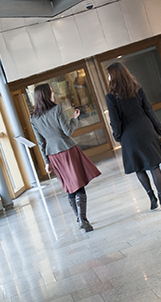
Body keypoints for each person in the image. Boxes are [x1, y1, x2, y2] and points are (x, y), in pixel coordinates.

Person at [30, 83, 101, 232]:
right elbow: (67, 131)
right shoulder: (57, 109)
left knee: (70, 187)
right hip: (67, 150)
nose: (53, 93)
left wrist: (46, 162)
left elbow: (40, 142)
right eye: (51, 91)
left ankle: (79, 219)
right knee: (78, 184)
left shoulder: (34, 118)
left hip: (53, 154)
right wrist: (75, 117)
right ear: (46, 94)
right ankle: (83, 220)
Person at [105, 62, 161, 210]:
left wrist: (118, 136)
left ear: (114, 76)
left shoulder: (111, 97)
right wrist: (159, 129)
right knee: (154, 165)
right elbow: (149, 110)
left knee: (139, 167)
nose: (108, 77)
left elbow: (114, 120)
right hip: (146, 127)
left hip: (129, 134)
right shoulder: (137, 89)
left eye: (109, 75)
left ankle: (152, 198)